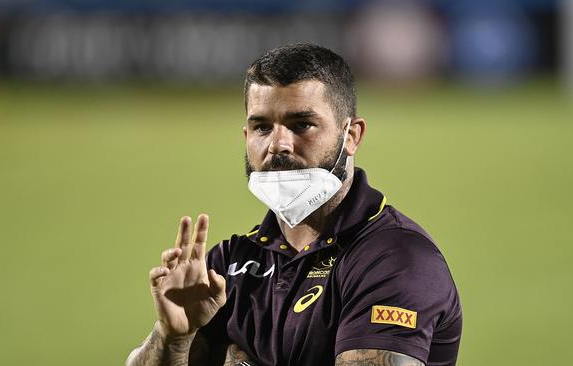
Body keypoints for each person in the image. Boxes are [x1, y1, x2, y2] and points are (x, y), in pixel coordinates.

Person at [126, 43, 462, 366]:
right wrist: (173, 337)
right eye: (262, 127)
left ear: (352, 136)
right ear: (246, 138)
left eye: (302, 124)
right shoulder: (228, 265)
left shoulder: (394, 260)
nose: (278, 144)